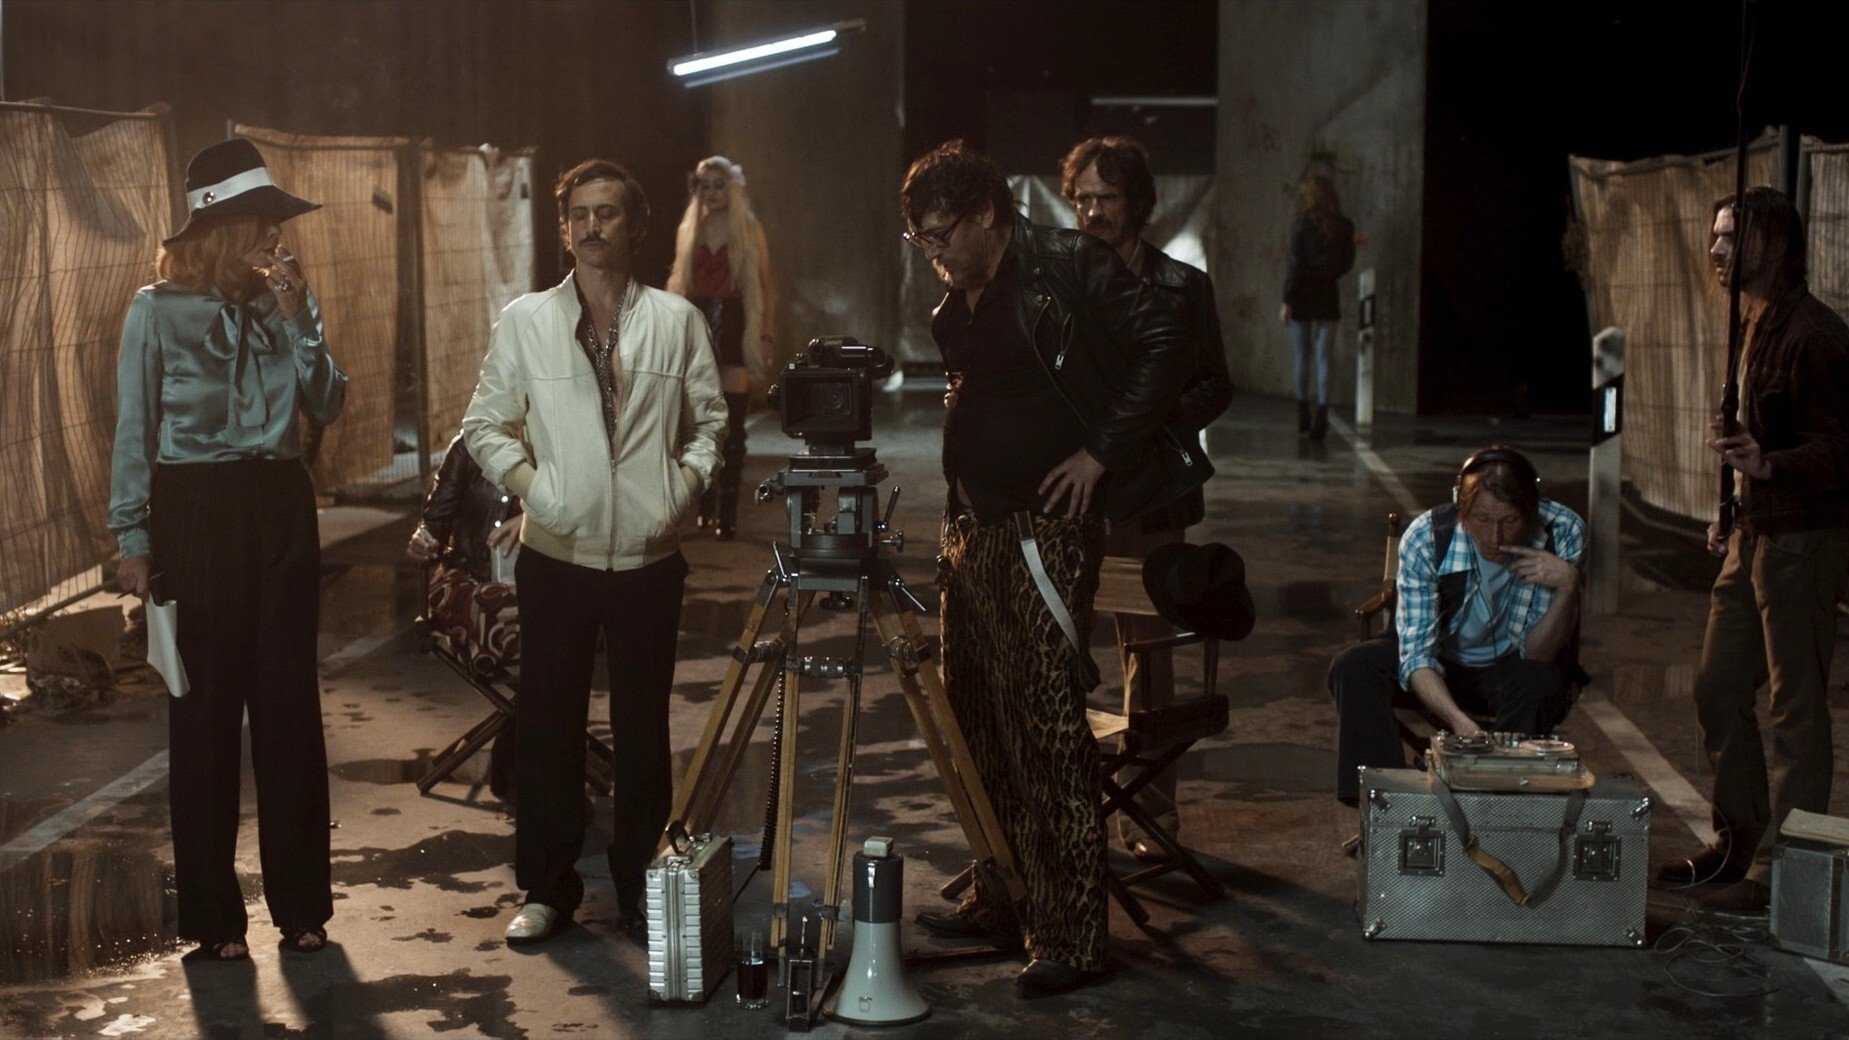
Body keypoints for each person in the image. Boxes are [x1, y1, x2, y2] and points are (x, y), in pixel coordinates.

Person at [901, 140, 1206, 997]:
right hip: (972, 530)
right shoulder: (957, 294)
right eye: (919, 240)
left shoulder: (1068, 263)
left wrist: (1100, 453)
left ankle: (1071, 933)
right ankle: (1001, 893)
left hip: (1043, 534)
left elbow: (1170, 344)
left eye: (940, 235)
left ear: (986, 214)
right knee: (976, 723)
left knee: (1044, 731)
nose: (931, 253)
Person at [463, 159, 726, 945]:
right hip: (557, 552)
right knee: (549, 725)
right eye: (578, 213)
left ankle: (642, 884)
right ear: (563, 226)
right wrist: (537, 491)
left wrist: (678, 490)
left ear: (635, 225)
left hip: (649, 557)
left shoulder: (677, 320)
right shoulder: (527, 320)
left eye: (606, 212)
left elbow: (711, 424)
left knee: (644, 730)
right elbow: (484, 424)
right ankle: (547, 889)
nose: (590, 226)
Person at [108, 138, 346, 961]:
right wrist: (133, 540)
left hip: (279, 504)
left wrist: (301, 319)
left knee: (288, 710)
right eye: (261, 222)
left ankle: (302, 907)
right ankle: (215, 921)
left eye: (276, 223)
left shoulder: (286, 303)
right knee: (204, 715)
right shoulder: (155, 311)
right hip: (196, 511)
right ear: (221, 229)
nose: (275, 237)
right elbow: (134, 431)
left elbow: (329, 402)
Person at [1654, 187, 1849, 915]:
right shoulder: (1755, 321)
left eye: (1731, 238)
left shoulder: (1816, 336)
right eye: (1715, 236)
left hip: (1803, 540)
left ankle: (1782, 870)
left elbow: (1839, 451)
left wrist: (1768, 465)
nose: (1715, 250)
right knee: (1716, 685)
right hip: (1754, 531)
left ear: (1773, 245)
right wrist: (1732, 506)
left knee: (1796, 710)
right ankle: (1738, 841)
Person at [1058, 135, 1232, 862]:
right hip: (1070, 493)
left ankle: (1150, 817)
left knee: (1149, 657)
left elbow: (1215, 384)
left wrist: (1149, 423)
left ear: (1137, 203)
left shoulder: (1182, 286)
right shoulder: (1056, 281)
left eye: (1107, 198)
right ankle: (1065, 810)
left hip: (1151, 493)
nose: (1093, 211)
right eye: (1083, 199)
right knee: (1057, 649)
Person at [1327, 447, 1584, 806]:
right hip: (1439, 665)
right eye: (1481, 519)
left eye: (1510, 521)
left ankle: (1497, 804)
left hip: (1510, 667)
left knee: (1541, 680)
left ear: (1531, 509)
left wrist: (1569, 585)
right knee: (1353, 666)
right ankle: (1383, 804)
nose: (1495, 537)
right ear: (1461, 507)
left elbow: (1538, 653)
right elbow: (1417, 656)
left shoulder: (1562, 529)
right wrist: (1458, 721)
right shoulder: (1427, 536)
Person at [665, 155, 776, 541]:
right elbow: (680, 285)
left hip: (734, 325)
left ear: (732, 188)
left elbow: (765, 287)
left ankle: (728, 510)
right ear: (698, 190)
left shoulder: (748, 228)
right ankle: (706, 499)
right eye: (706, 185)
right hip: (697, 323)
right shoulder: (688, 229)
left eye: (719, 185)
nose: (713, 192)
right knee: (699, 421)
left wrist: (766, 335)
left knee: (732, 422)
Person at [407, 433, 523, 678]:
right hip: (468, 577)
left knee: (550, 605)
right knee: (497, 604)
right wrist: (423, 541)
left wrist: (530, 521)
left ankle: (537, 695)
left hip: (537, 582)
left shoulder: (558, 444)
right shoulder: (468, 446)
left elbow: (584, 513)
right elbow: (434, 525)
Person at [1280, 174, 1360, 441]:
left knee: (1301, 355)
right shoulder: (1344, 227)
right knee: (1324, 357)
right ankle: (1322, 417)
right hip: (1327, 294)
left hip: (1302, 294)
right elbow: (1346, 265)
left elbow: (1295, 266)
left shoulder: (1300, 227)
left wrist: (1287, 300)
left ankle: (1303, 413)